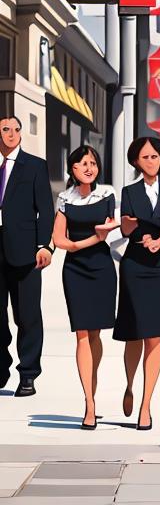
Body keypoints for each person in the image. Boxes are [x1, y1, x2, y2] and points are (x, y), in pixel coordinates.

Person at [115, 136, 160, 432]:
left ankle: (146, 405)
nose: (151, 161)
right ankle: (130, 385)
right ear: (135, 161)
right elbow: (127, 224)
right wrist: (137, 231)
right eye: (145, 157)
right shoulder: (129, 191)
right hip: (135, 265)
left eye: (155, 156)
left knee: (154, 336)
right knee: (134, 333)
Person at [52, 145, 118, 429]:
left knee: (95, 334)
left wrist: (79, 244)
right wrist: (82, 243)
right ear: (72, 169)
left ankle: (92, 383)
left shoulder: (107, 194)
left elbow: (108, 231)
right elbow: (58, 238)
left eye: (92, 163)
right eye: (82, 164)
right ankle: (89, 404)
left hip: (102, 268)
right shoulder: (64, 199)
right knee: (81, 333)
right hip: (75, 271)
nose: (89, 167)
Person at [0, 116, 53, 398]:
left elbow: (45, 209)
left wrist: (44, 245)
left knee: (28, 315)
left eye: (16, 129)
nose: (12, 134)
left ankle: (28, 374)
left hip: (26, 251)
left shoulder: (34, 166)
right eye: (5, 129)